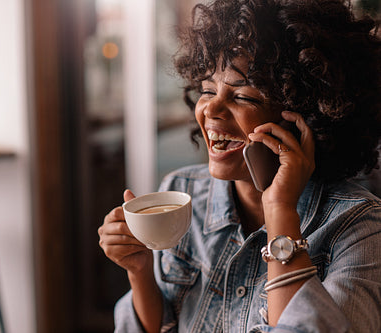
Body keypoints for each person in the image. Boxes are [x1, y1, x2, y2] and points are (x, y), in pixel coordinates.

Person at [98, 0, 381, 331]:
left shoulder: (360, 228)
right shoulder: (180, 192)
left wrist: (280, 211)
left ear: (304, 117)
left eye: (243, 96)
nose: (211, 109)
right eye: (206, 90)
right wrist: (140, 271)